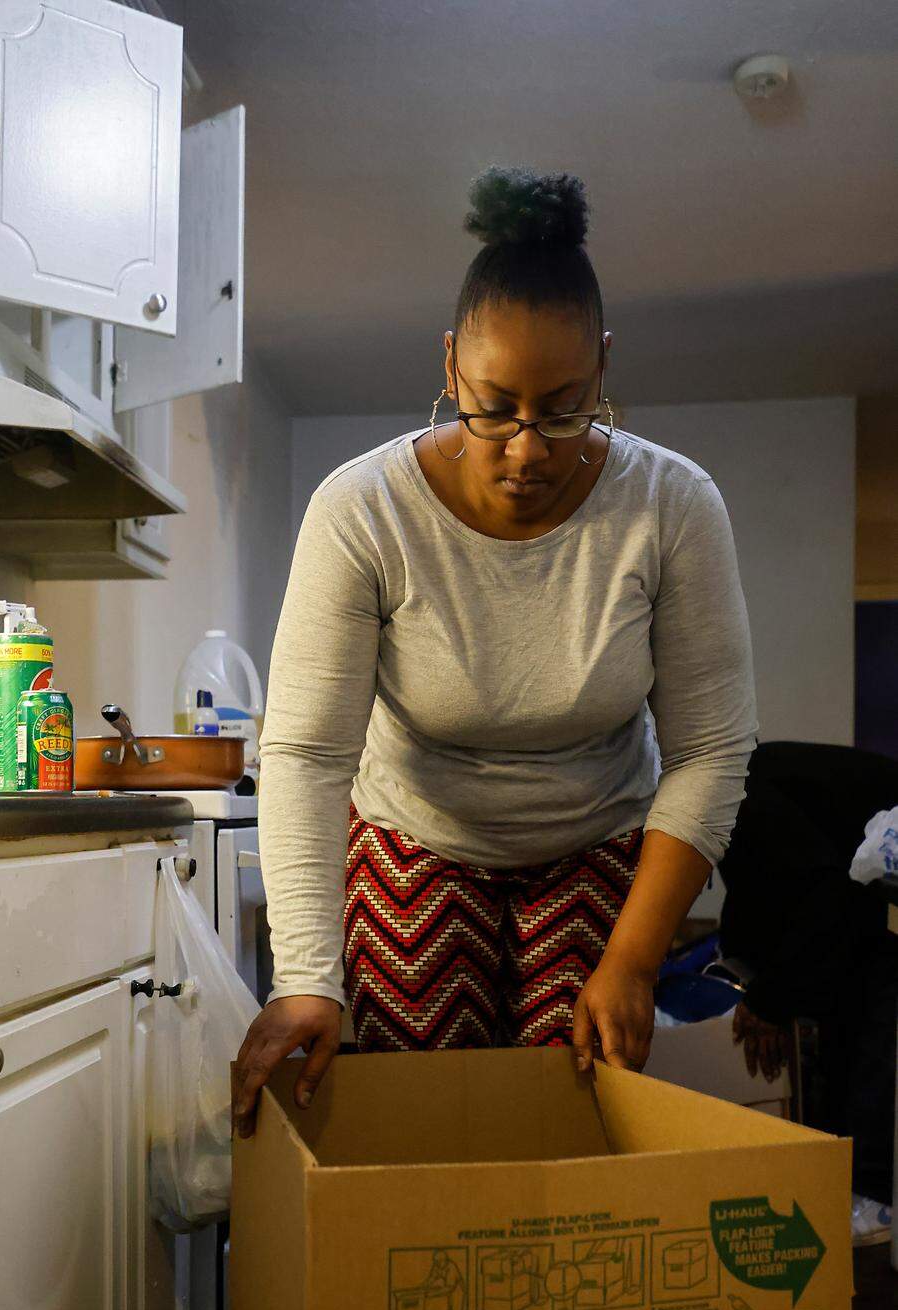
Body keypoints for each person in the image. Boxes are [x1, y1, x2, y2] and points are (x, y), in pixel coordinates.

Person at [234, 167, 757, 1134]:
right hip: (416, 839)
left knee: (573, 1114)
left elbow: (710, 750)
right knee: (426, 1123)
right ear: (448, 368)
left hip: (597, 840)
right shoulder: (363, 512)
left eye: (563, 409)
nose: (525, 449)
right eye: (493, 407)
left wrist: (635, 960)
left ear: (603, 368)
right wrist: (308, 977)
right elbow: (306, 754)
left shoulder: (673, 506)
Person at [719, 740, 897, 1243]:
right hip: (861, 881)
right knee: (844, 1002)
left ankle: (878, 1197)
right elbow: (755, 891)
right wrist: (745, 971)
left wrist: (769, 1001)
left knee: (873, 1023)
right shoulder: (734, 789)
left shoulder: (739, 797)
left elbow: (823, 897)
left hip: (880, 883)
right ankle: (851, 1177)